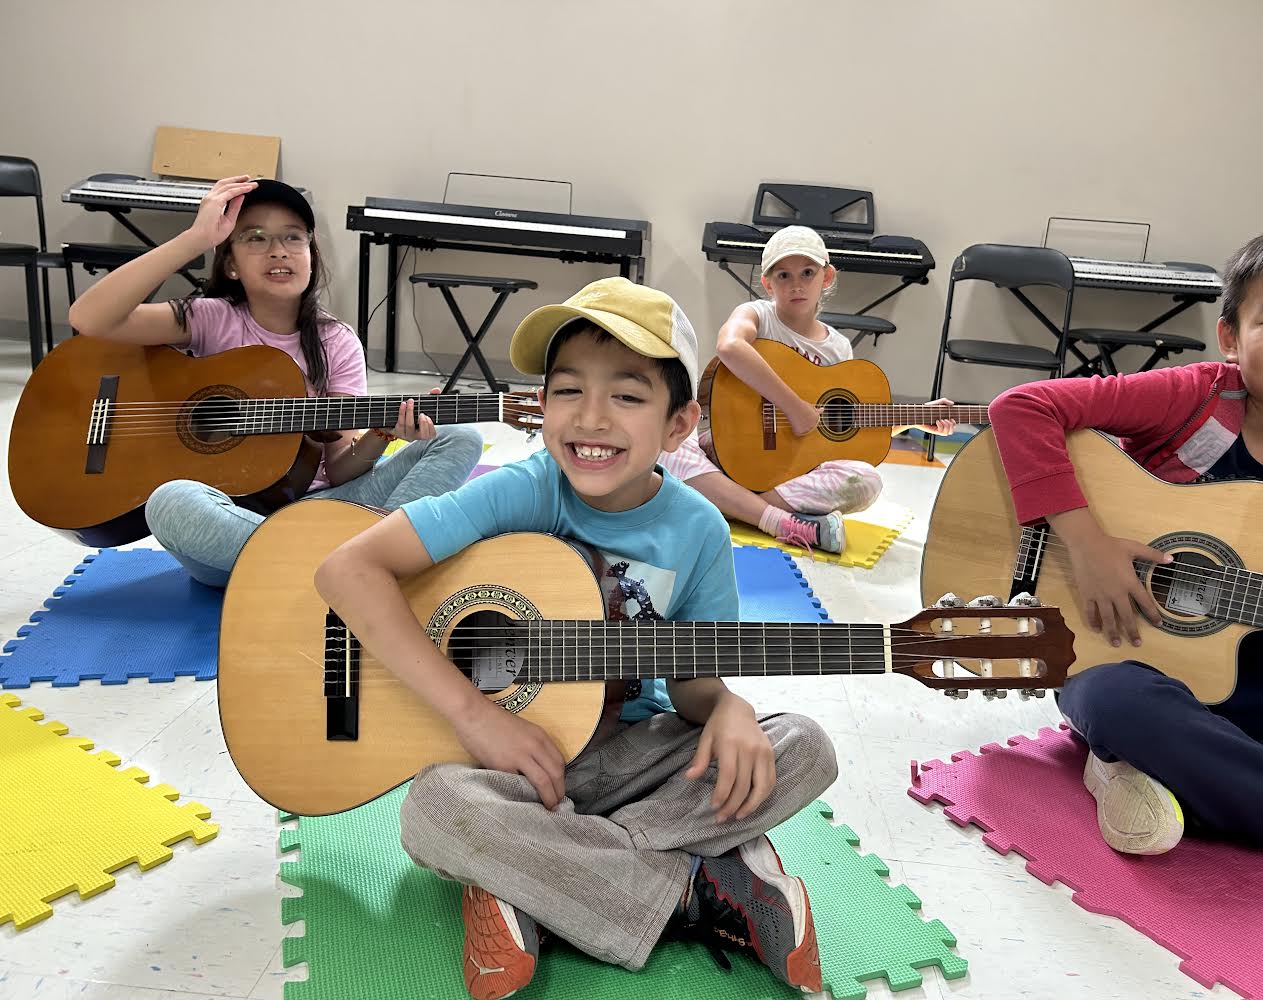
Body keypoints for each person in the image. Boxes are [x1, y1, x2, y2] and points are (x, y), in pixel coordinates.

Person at [315, 277, 838, 997]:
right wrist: (475, 714)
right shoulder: (524, 489)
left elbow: (693, 691)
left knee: (802, 745)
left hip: (630, 757)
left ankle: (536, 885)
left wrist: (727, 710)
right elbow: (348, 570)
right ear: (540, 406)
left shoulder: (698, 531)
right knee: (433, 810)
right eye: (567, 391)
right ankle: (700, 891)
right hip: (505, 763)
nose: (590, 420)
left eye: (626, 396)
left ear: (679, 424)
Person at [988, 221, 1263, 865]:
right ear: (1230, 336)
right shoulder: (1193, 398)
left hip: (1260, 682)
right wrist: (1087, 544)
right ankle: (1260, 796)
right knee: (1121, 703)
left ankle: (1160, 778)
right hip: (1116, 656)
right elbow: (1021, 408)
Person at [67, 175, 482, 586]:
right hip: (228, 525)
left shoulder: (336, 341)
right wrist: (194, 239)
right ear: (229, 263)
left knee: (461, 437)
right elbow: (90, 318)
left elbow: (338, 472)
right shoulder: (211, 318)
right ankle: (350, 572)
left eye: (293, 238)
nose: (277, 251)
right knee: (170, 501)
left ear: (311, 255)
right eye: (255, 238)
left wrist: (378, 432)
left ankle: (339, 569)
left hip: (320, 508)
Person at [662, 226, 954, 554]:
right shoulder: (756, 315)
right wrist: (793, 406)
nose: (796, 284)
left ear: (826, 277)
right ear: (768, 283)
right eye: (784, 275)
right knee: (667, 445)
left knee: (866, 480)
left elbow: (845, 427)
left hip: (786, 468)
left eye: (808, 273)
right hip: (721, 446)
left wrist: (914, 419)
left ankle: (731, 504)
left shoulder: (838, 349)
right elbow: (729, 347)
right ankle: (777, 520)